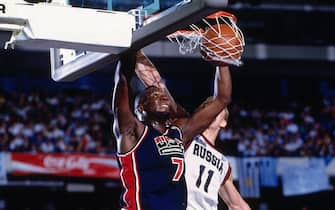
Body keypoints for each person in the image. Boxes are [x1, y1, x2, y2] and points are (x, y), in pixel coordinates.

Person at [112, 51, 231, 210]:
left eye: (164, 96)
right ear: (141, 108)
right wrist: (131, 48)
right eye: (154, 95)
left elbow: (222, 99)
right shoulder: (133, 131)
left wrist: (222, 61)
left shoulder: (179, 133)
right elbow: (122, 81)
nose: (163, 98)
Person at [135, 51, 250, 210]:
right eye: (205, 108)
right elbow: (156, 83)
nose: (209, 110)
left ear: (224, 122)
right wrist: (135, 51)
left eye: (215, 110)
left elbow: (237, 205)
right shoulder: (186, 131)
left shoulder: (223, 163)